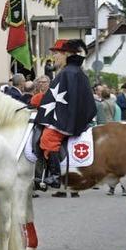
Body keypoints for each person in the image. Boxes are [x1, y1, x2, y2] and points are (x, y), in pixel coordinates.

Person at [34, 39, 97, 190]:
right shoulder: (72, 71)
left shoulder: (68, 72)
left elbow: (56, 98)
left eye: (56, 53)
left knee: (48, 138)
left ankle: (55, 176)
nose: (53, 57)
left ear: (66, 54)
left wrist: (38, 104)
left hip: (68, 118)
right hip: (70, 115)